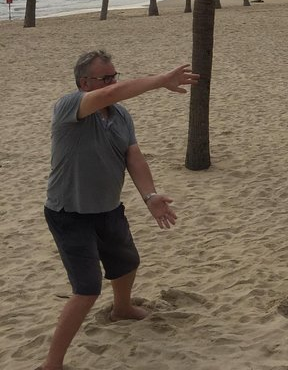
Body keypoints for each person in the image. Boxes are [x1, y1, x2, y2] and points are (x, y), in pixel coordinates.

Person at [39, 50, 199, 370]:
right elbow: (112, 93)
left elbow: (133, 156)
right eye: (106, 77)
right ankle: (51, 364)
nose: (113, 82)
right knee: (86, 290)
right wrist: (160, 81)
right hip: (70, 213)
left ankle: (121, 309)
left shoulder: (121, 116)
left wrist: (150, 197)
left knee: (127, 263)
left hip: (108, 209)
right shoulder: (70, 106)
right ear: (84, 83)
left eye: (115, 74)